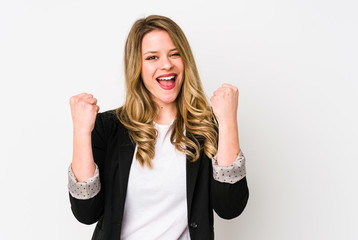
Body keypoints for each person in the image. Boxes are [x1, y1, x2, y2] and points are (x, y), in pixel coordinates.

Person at [68, 15, 249, 240]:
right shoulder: (108, 128)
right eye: (152, 57)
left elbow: (230, 207)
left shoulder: (206, 128)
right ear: (137, 66)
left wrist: (228, 121)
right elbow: (86, 212)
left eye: (175, 54)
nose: (166, 64)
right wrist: (81, 132)